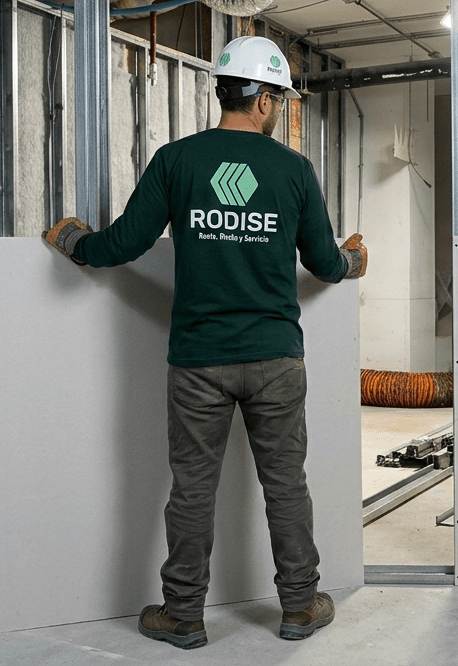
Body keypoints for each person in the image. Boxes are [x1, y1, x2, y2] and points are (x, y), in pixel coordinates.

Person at [42, 36, 366, 650]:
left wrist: (72, 241)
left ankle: (184, 615)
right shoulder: (293, 169)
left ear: (225, 90)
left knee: (192, 490)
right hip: (275, 359)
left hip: (198, 363)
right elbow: (324, 264)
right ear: (265, 99)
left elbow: (120, 247)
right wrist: (351, 261)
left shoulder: (178, 160)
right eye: (280, 100)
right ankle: (300, 606)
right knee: (287, 486)